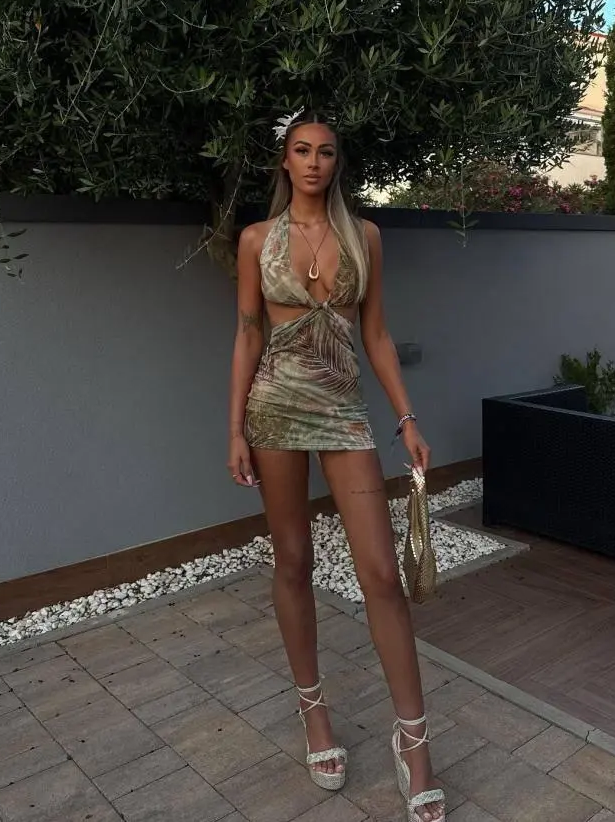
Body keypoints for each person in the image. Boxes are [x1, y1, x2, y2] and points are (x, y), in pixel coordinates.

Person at [227, 112, 445, 822]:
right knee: (292, 560)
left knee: (380, 573)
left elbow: (374, 333)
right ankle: (313, 711)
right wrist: (234, 430)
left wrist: (406, 417)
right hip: (274, 411)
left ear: (336, 163)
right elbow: (248, 334)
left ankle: (414, 742)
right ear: (284, 162)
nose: (314, 162)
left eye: (325, 152)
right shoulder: (256, 241)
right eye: (302, 151)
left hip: (344, 413)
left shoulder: (364, 237)